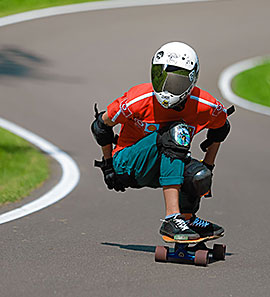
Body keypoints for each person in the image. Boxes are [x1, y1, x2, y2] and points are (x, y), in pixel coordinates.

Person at [91, 41, 233, 241]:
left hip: (165, 166)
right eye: (161, 78)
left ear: (192, 81)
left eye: (176, 82)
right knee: (177, 131)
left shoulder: (205, 105)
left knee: (198, 175)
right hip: (129, 163)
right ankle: (172, 219)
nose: (166, 89)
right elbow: (100, 126)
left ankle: (186, 219)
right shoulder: (138, 98)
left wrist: (208, 166)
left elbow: (220, 129)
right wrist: (108, 166)